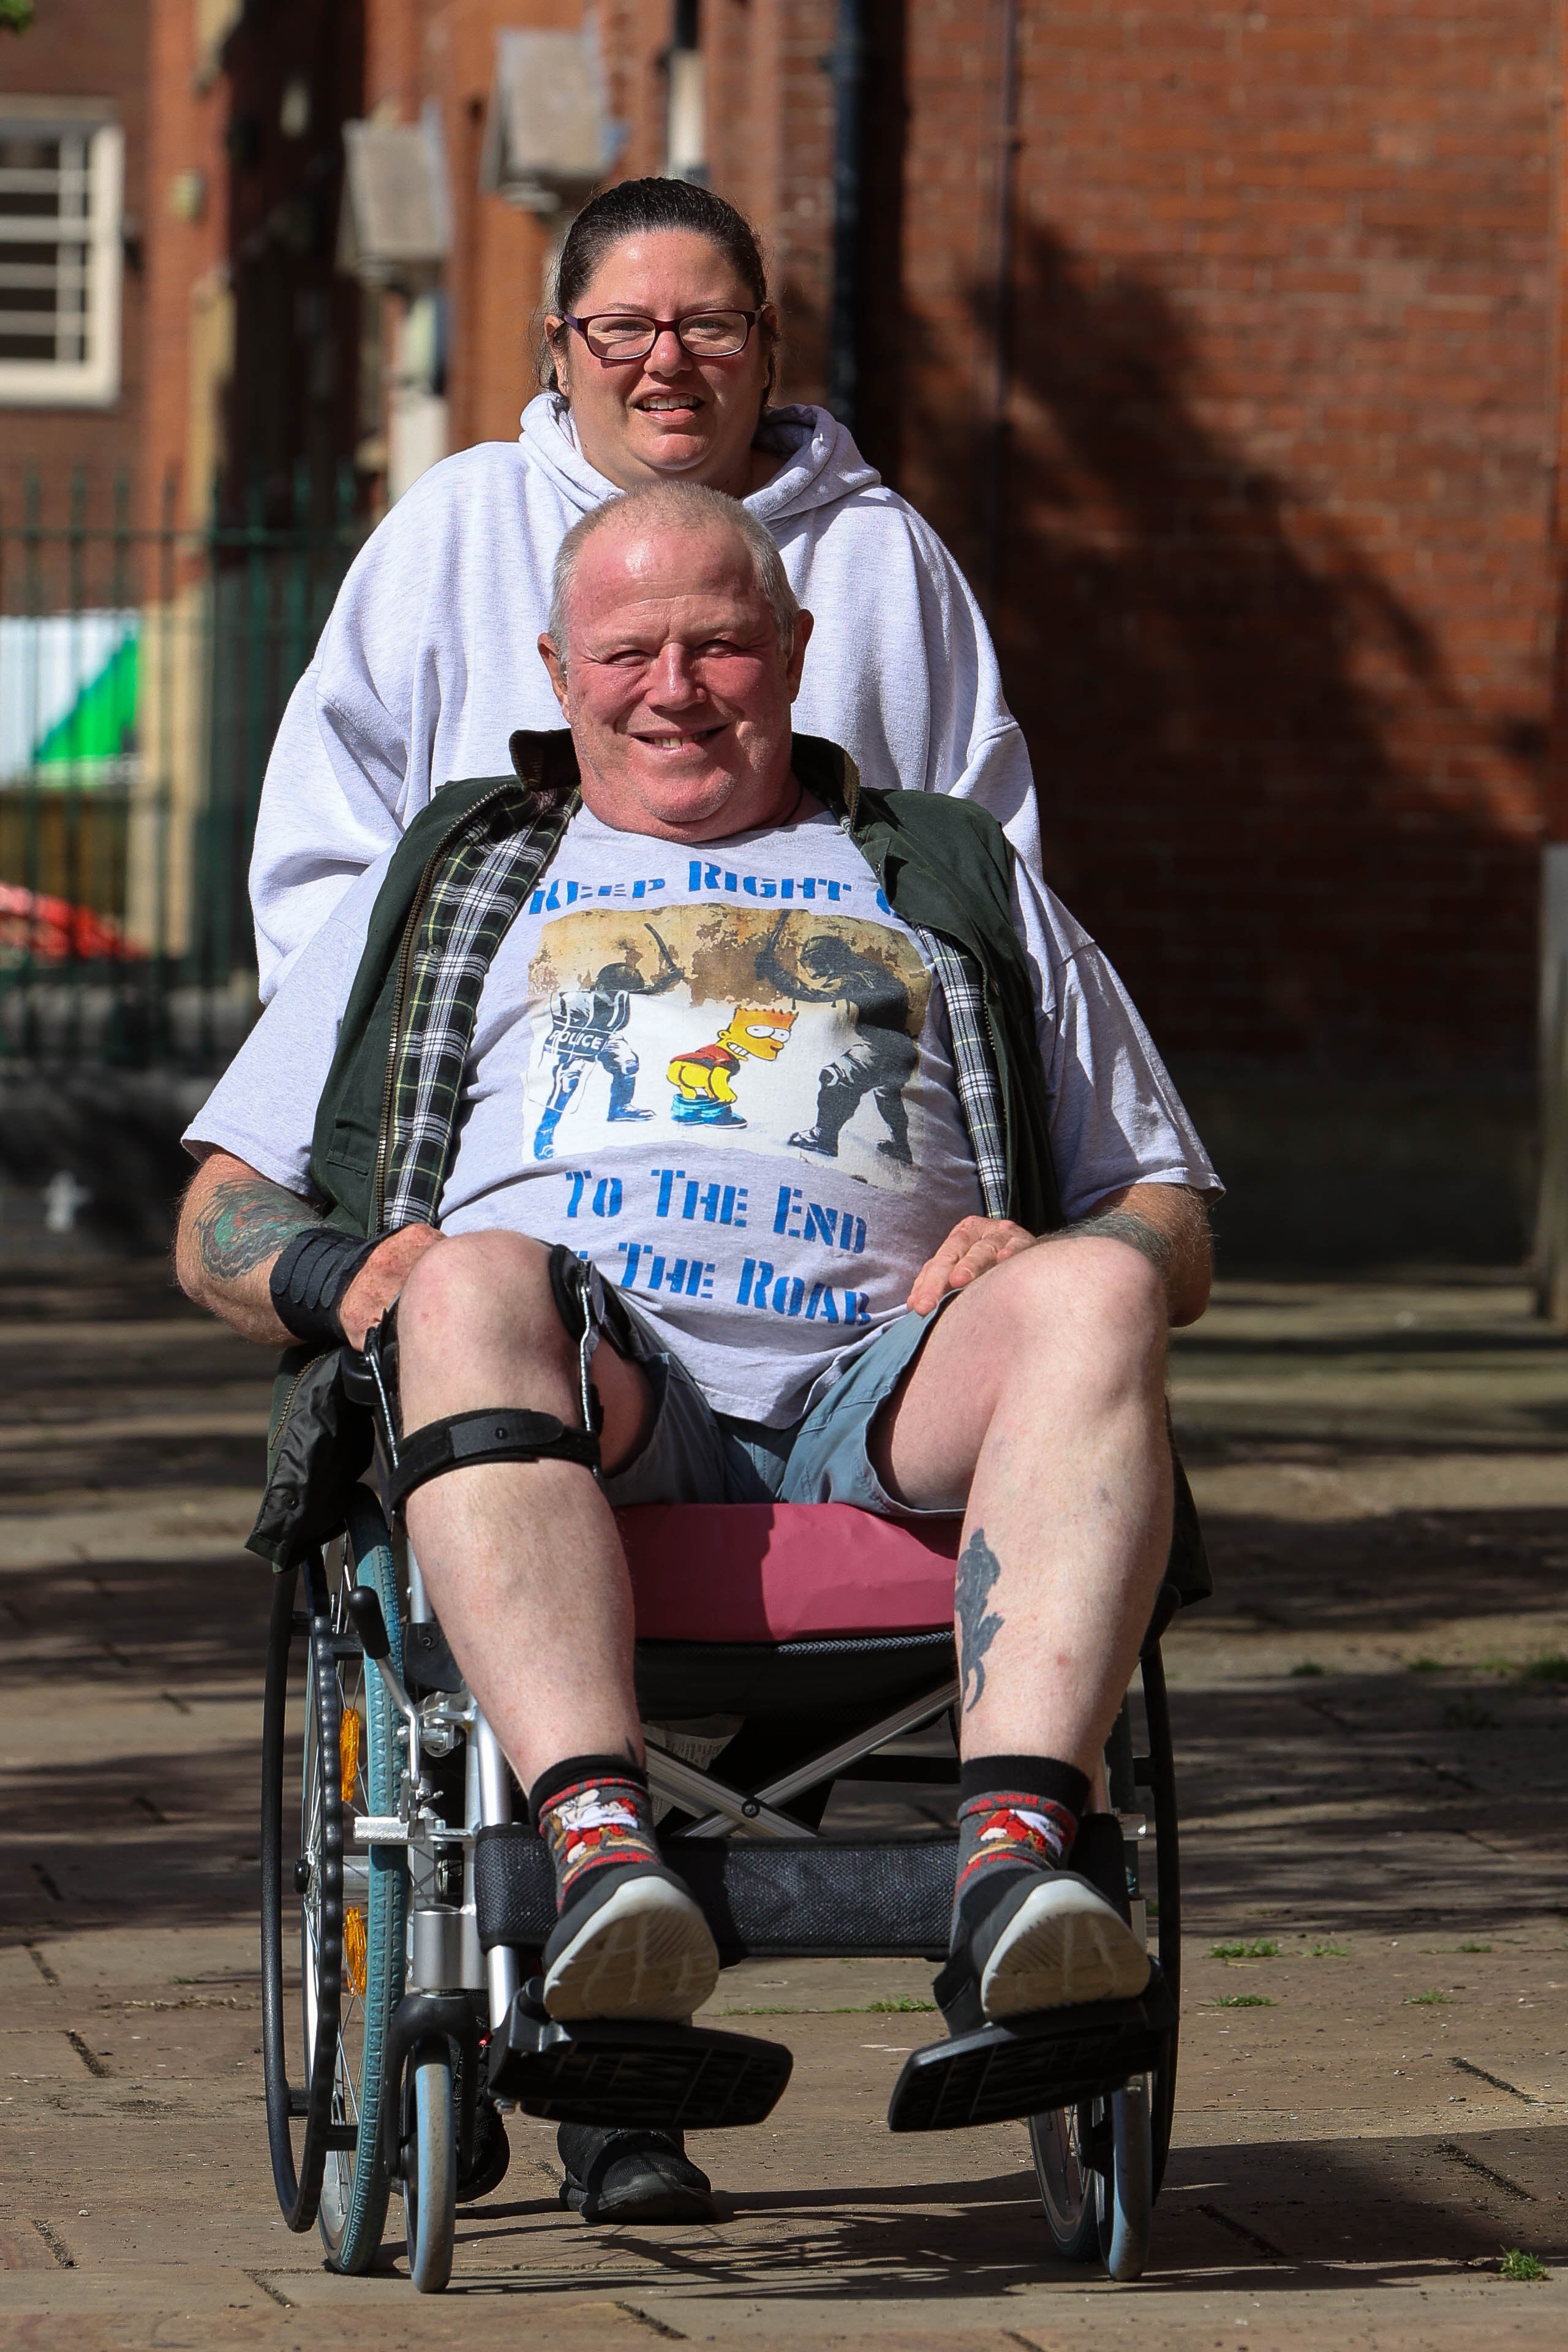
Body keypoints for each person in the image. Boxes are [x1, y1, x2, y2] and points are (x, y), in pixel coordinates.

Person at [178, 482, 1219, 2226]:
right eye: (631, 650)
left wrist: (1056, 1250)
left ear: (798, 656)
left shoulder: (947, 872)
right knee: (471, 1276)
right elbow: (221, 1215)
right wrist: (363, 1284)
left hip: (887, 1395)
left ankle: (1021, 1864)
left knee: (1102, 1299)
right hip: (592, 1388)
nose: (677, 685)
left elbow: (1172, 1214)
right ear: (559, 670)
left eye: (722, 642)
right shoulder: (457, 878)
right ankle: (599, 1863)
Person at [249, 176, 1044, 1001]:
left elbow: (984, 858)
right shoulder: (460, 526)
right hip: (489, 1091)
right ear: (559, 350)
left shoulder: (878, 553)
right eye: (622, 330)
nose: (667, 360)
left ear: (767, 342)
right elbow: (326, 839)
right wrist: (373, 1068)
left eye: (709, 326)